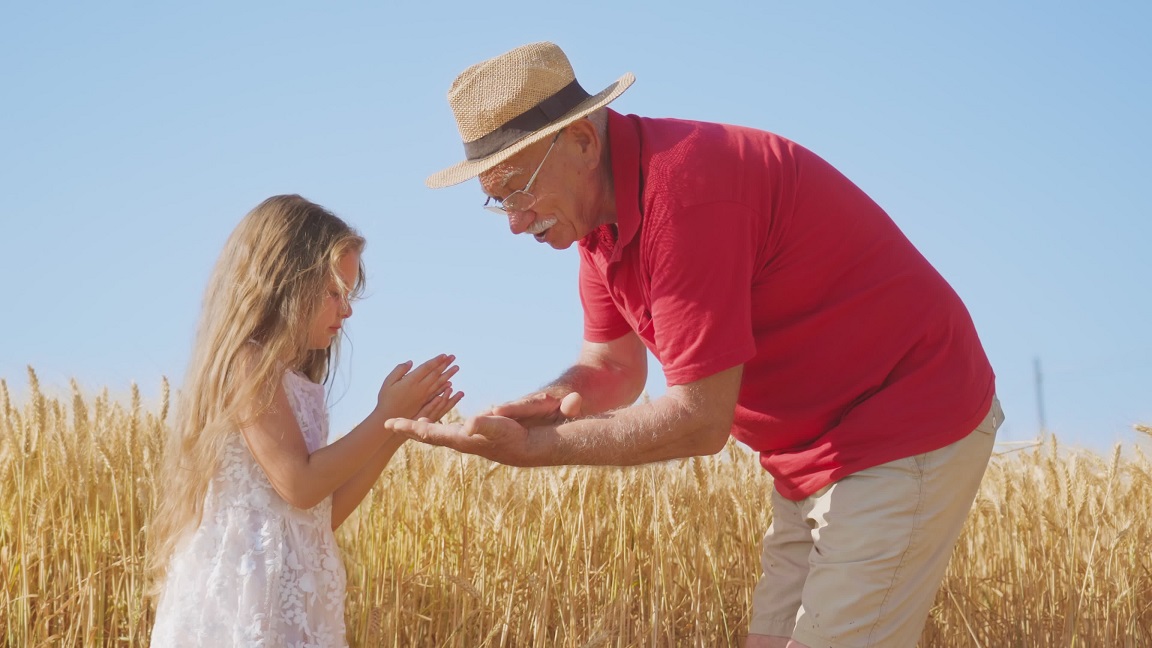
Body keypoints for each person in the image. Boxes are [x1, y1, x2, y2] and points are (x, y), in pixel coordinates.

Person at [389, 42, 1003, 647]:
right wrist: (547, 400)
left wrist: (535, 449)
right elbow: (611, 368)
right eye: (498, 201)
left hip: (903, 421)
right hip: (808, 458)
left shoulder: (685, 198)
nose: (517, 221)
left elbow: (699, 422)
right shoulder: (601, 224)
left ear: (581, 141)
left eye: (520, 188)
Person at [147, 194, 463, 647]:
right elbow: (299, 484)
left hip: (296, 595)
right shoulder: (247, 365)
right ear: (283, 284)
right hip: (245, 599)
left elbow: (319, 514)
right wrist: (383, 415)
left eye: (349, 295)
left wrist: (395, 433)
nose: (347, 309)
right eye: (334, 292)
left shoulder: (298, 384)